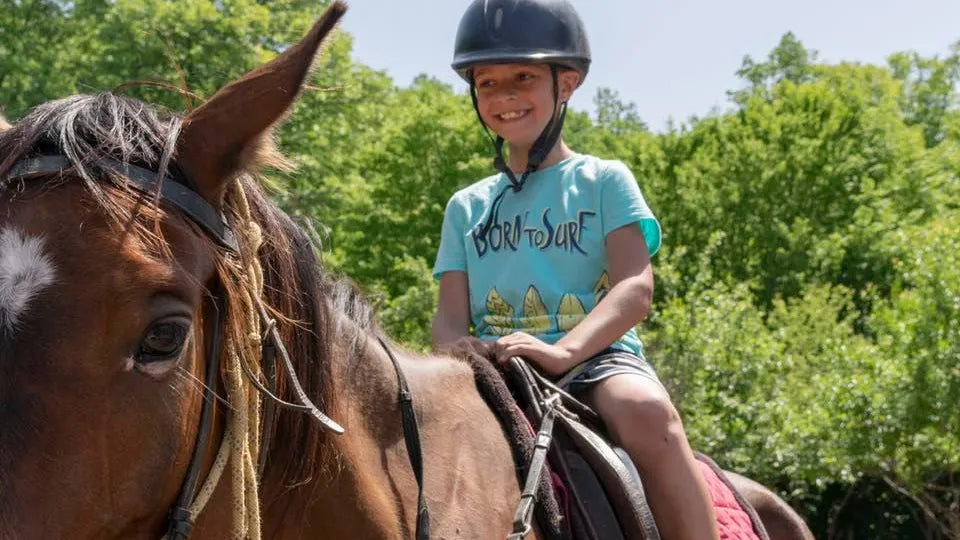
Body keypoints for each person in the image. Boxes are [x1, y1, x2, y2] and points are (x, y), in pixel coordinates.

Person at [430, 1, 719, 538]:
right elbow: (448, 319)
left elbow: (635, 288)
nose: (505, 95)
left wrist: (563, 352)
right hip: (499, 368)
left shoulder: (604, 180)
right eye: (487, 83)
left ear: (567, 83)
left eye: (523, 77)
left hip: (595, 362)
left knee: (646, 412)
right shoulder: (465, 206)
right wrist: (460, 347)